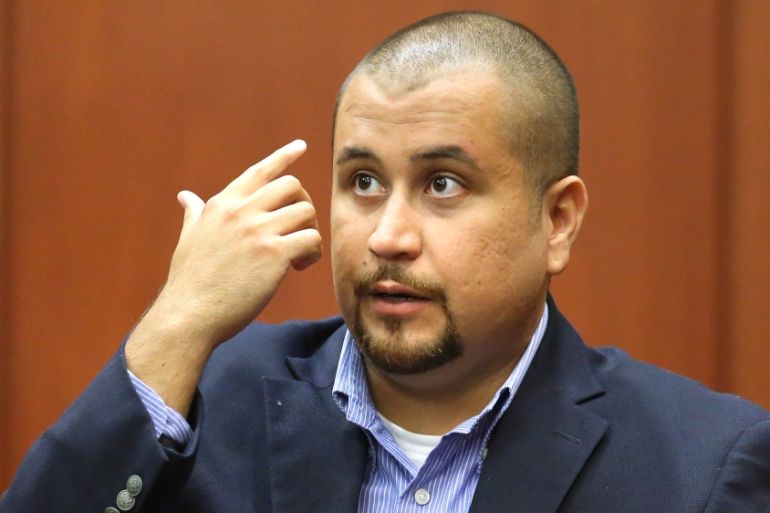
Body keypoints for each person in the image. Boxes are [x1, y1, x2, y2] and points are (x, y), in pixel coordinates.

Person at [2, 11, 769, 513]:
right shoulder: (206, 403)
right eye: (364, 182)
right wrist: (176, 323)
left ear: (557, 220)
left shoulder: (701, 466)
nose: (388, 236)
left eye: (443, 184)